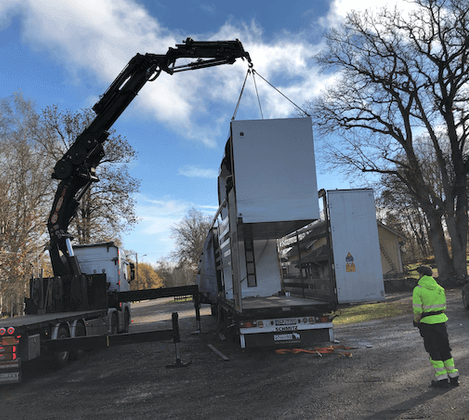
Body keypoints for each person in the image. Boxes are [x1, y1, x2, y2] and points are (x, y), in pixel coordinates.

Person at [413, 265, 459, 388]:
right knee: (445, 349)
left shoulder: (418, 289)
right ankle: (453, 376)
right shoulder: (440, 288)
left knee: (433, 350)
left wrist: (416, 321)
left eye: (419, 274)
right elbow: (443, 306)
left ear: (422, 274)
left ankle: (442, 378)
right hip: (441, 321)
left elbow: (417, 310)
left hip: (427, 323)